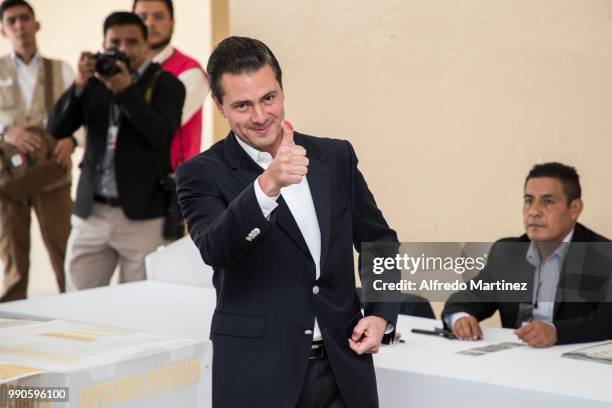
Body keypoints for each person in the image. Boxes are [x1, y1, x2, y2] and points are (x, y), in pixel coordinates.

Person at [176, 36, 400, 408]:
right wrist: (266, 186)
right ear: (219, 106)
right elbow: (216, 249)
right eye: (242, 105)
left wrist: (380, 314)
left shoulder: (335, 156)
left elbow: (380, 240)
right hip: (257, 375)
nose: (261, 116)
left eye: (269, 98)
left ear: (282, 90)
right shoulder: (199, 174)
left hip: (344, 370)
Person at [47, 12, 185, 289]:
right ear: (103, 44)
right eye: (115, 42)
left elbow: (161, 135)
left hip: (143, 214)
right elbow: (57, 128)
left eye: (132, 42)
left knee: (139, 301)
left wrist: (125, 91)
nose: (123, 50)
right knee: (77, 297)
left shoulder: (166, 84)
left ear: (146, 44)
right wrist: (79, 86)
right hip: (92, 209)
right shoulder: (94, 83)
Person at [443, 162, 612, 348]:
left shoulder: (603, 255)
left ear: (574, 209)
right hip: (515, 364)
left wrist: (556, 332)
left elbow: (607, 320)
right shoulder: (507, 252)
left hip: (577, 369)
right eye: (529, 200)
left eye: (548, 202)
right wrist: (461, 318)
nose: (534, 212)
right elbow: (465, 300)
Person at [0, 0, 76, 301]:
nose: (19, 26)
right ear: (3, 30)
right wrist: (8, 130)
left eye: (24, 19)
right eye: (12, 21)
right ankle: (10, 330)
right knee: (13, 259)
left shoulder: (62, 70)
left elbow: (80, 114)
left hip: (52, 174)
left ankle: (75, 316)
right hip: (8, 180)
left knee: (64, 250)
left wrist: (72, 141)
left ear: (36, 24)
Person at [133, 0, 208, 170]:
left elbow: (152, 128)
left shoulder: (190, 72)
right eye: (142, 17)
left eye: (158, 17)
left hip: (173, 185)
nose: (149, 23)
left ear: (172, 23)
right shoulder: (122, 69)